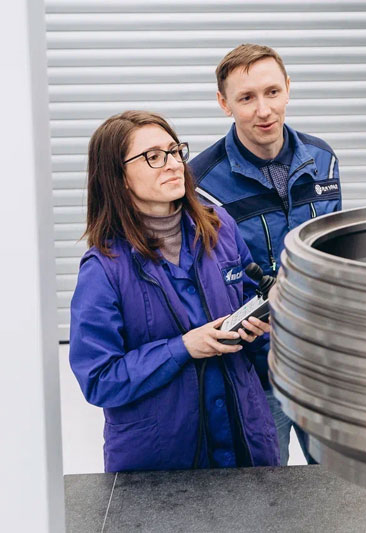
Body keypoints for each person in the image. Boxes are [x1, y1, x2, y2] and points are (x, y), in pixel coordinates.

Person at [69, 110, 280, 472]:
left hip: (244, 441)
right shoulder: (103, 269)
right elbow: (99, 379)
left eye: (174, 151)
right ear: (118, 178)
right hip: (161, 463)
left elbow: (249, 299)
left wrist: (259, 324)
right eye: (153, 157)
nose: (173, 164)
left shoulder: (220, 226)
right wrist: (182, 348)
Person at [190, 44, 342, 466]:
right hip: (256, 371)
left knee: (336, 484)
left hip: (321, 364)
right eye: (246, 97)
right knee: (265, 486)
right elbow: (206, 280)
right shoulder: (201, 183)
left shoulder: (324, 160)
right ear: (224, 103)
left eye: (272, 92)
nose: (264, 110)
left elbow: (335, 254)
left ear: (288, 88)